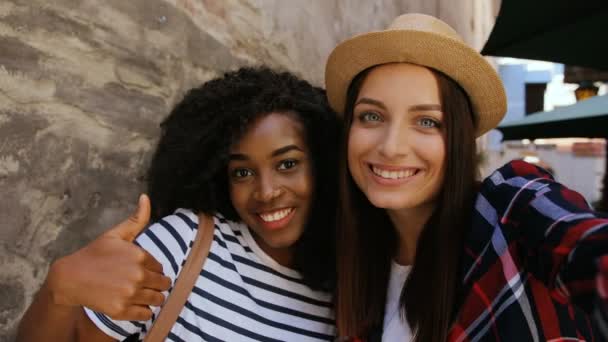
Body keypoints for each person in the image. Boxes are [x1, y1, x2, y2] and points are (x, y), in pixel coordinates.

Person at [325, 13, 608, 341]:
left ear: (459, 139)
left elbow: (586, 244)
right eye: (371, 116)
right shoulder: (351, 258)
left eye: (427, 122)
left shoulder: (509, 209)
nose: (391, 147)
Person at [17, 67, 339, 341]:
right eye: (242, 172)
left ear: (323, 162)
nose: (266, 191)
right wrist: (59, 292)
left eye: (287, 164)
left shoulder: (343, 295)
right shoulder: (187, 242)